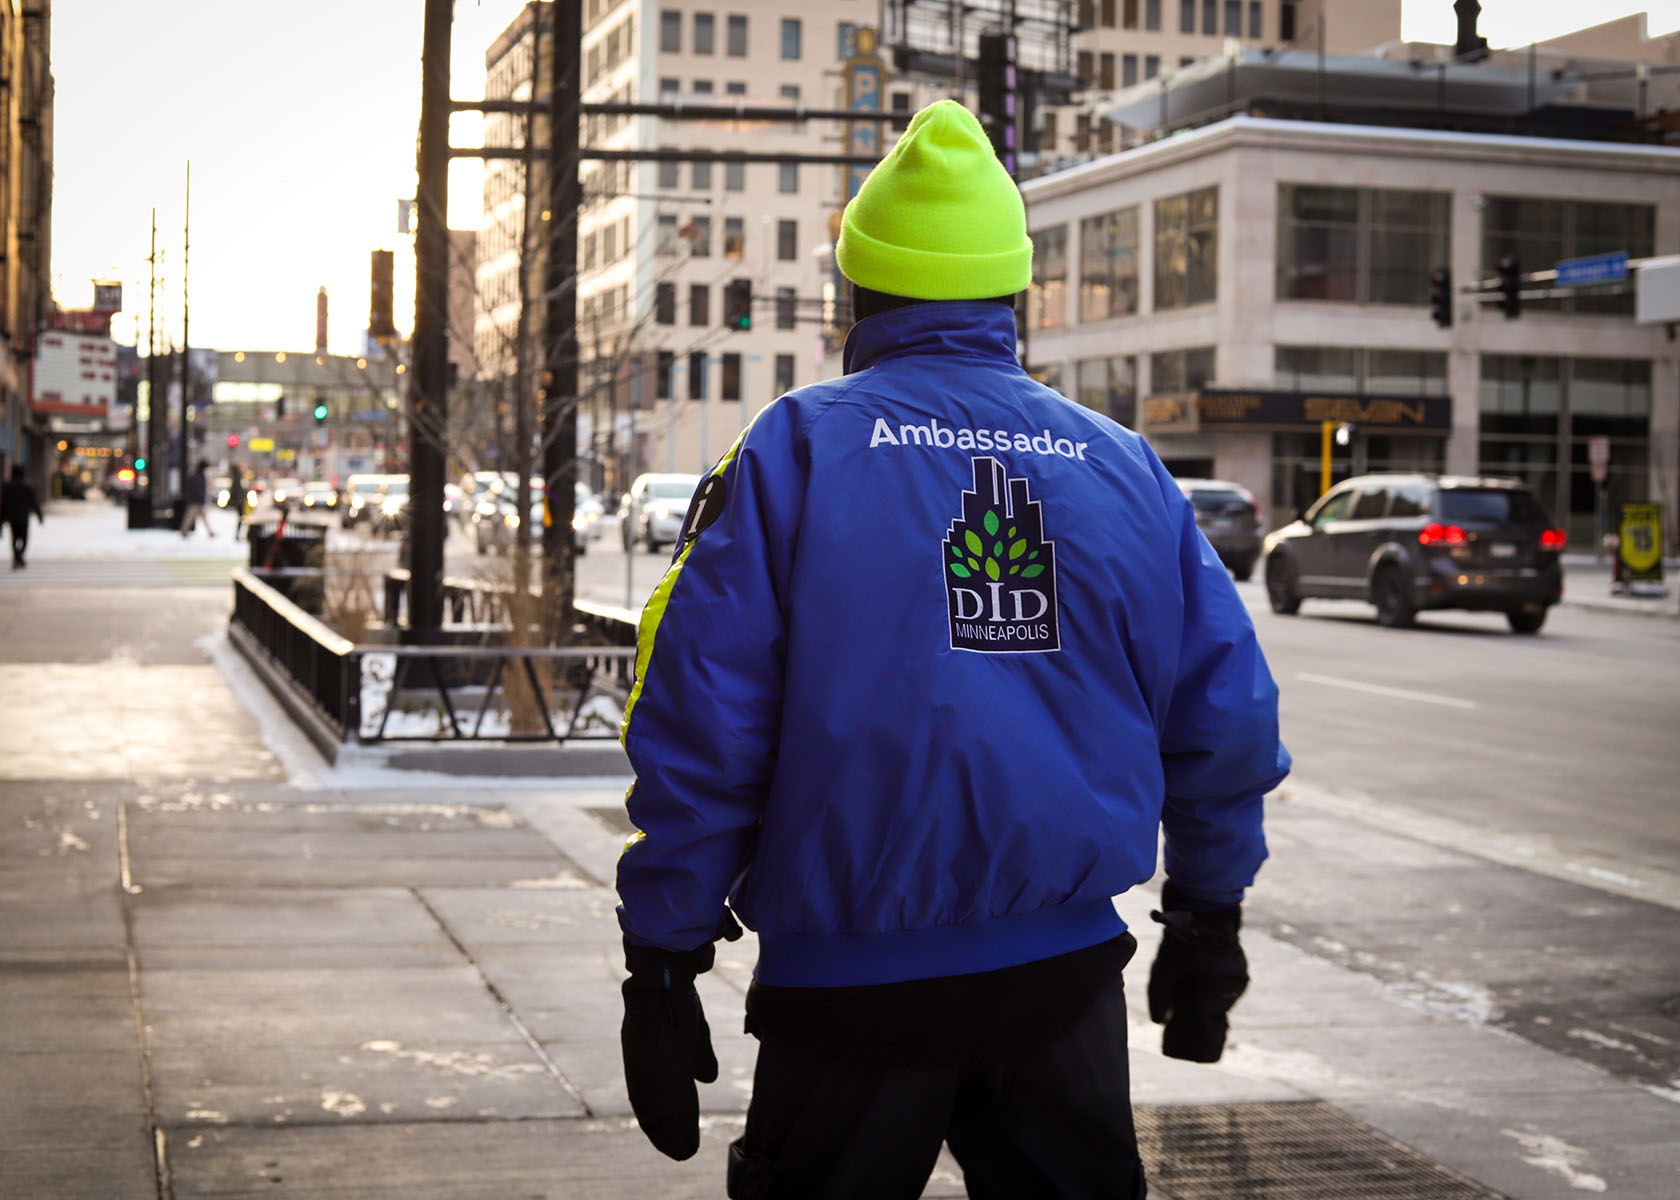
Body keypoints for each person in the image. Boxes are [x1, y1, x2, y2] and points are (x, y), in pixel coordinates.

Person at [614, 99, 1289, 1200]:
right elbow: (1226, 716)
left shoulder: (795, 450)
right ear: (1012, 294)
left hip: (848, 1002)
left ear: (859, 291)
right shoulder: (1123, 465)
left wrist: (663, 950)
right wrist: (1209, 914)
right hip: (1062, 986)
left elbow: (701, 716)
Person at [1, 464, 44, 569]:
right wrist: (39, 515)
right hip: (23, 517)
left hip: (12, 518)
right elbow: (34, 502)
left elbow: (4, 504)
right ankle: (19, 556)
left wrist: (2, 517)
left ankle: (17, 557)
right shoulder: (27, 486)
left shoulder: (7, 486)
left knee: (14, 537)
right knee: (24, 538)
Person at [180, 460, 212, 538]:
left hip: (197, 500)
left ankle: (210, 532)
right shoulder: (197, 476)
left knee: (203, 517)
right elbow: (197, 490)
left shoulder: (198, 475)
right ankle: (183, 532)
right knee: (190, 517)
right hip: (195, 501)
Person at [228, 462, 248, 540]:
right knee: (242, 517)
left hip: (241, 501)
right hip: (240, 501)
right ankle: (239, 534)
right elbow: (236, 490)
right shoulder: (237, 478)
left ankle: (239, 534)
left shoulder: (238, 477)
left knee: (242, 517)